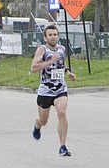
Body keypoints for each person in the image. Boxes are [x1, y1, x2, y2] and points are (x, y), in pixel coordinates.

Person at [30, 24, 76, 157]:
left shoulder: (61, 49)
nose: (53, 37)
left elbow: (61, 63)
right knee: (43, 121)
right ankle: (37, 125)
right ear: (45, 38)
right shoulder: (42, 50)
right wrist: (50, 62)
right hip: (45, 90)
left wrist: (68, 72)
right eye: (50, 35)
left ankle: (63, 146)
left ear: (58, 36)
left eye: (55, 34)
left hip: (60, 88)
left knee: (61, 112)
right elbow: (33, 68)